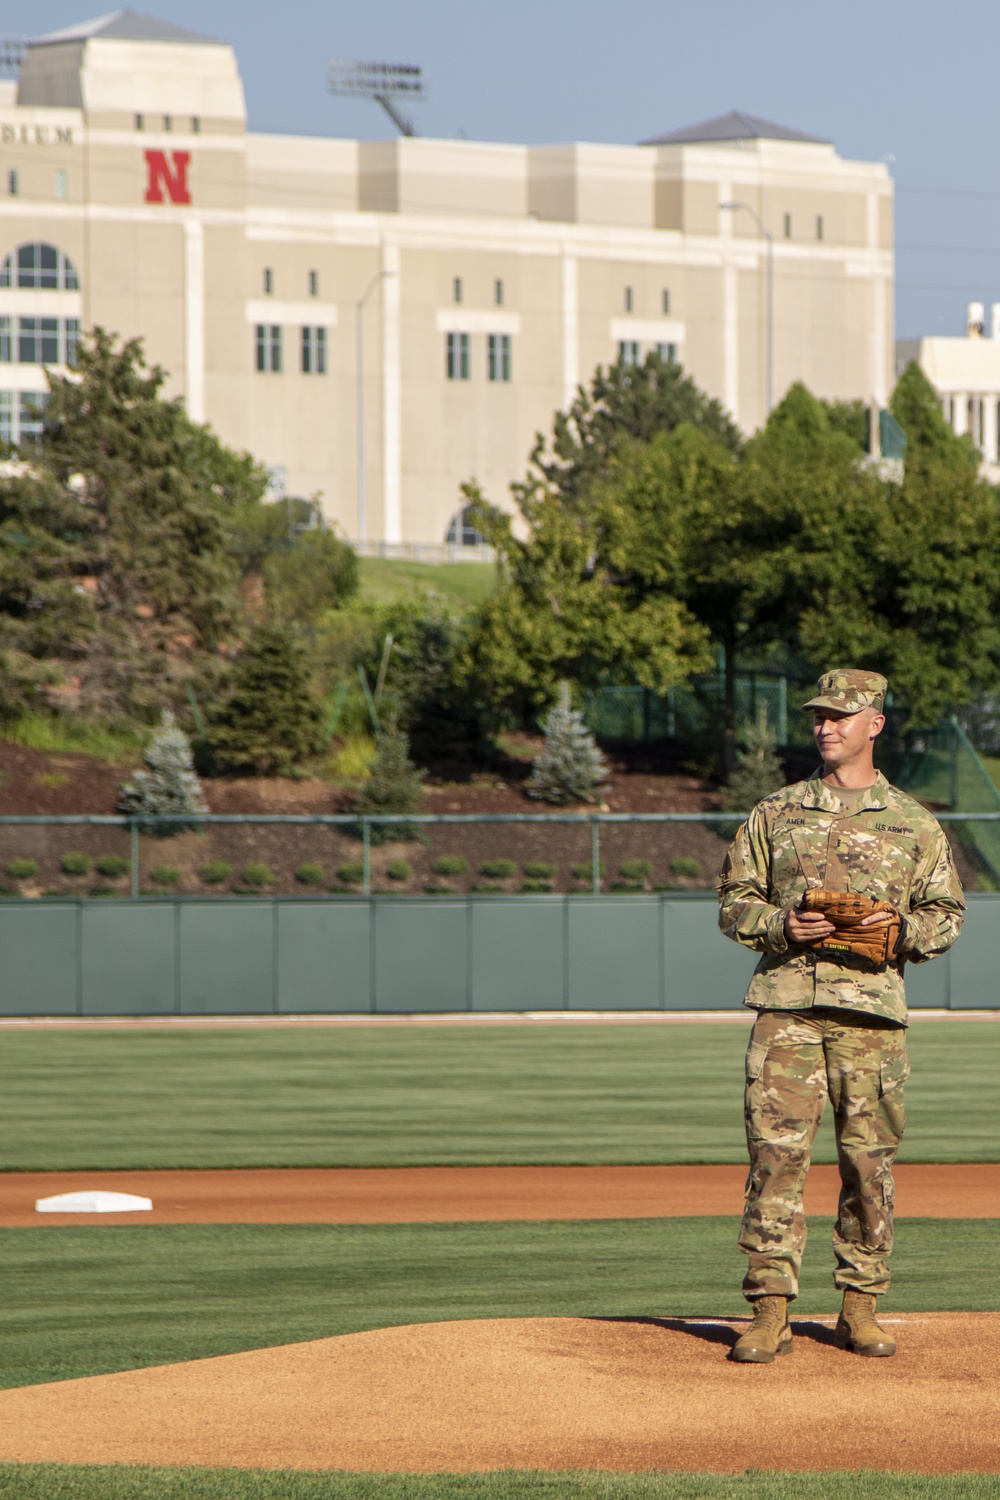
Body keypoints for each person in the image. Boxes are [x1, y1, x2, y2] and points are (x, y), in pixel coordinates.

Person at [716, 669, 964, 1363]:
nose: (825, 726)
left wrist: (901, 932)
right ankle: (769, 1312)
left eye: (840, 716)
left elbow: (947, 916)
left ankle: (860, 1306)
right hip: (788, 1009)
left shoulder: (914, 822)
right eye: (818, 716)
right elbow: (733, 899)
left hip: (872, 1015)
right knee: (775, 1160)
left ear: (874, 724)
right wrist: (778, 925)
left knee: (868, 1163)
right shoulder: (776, 812)